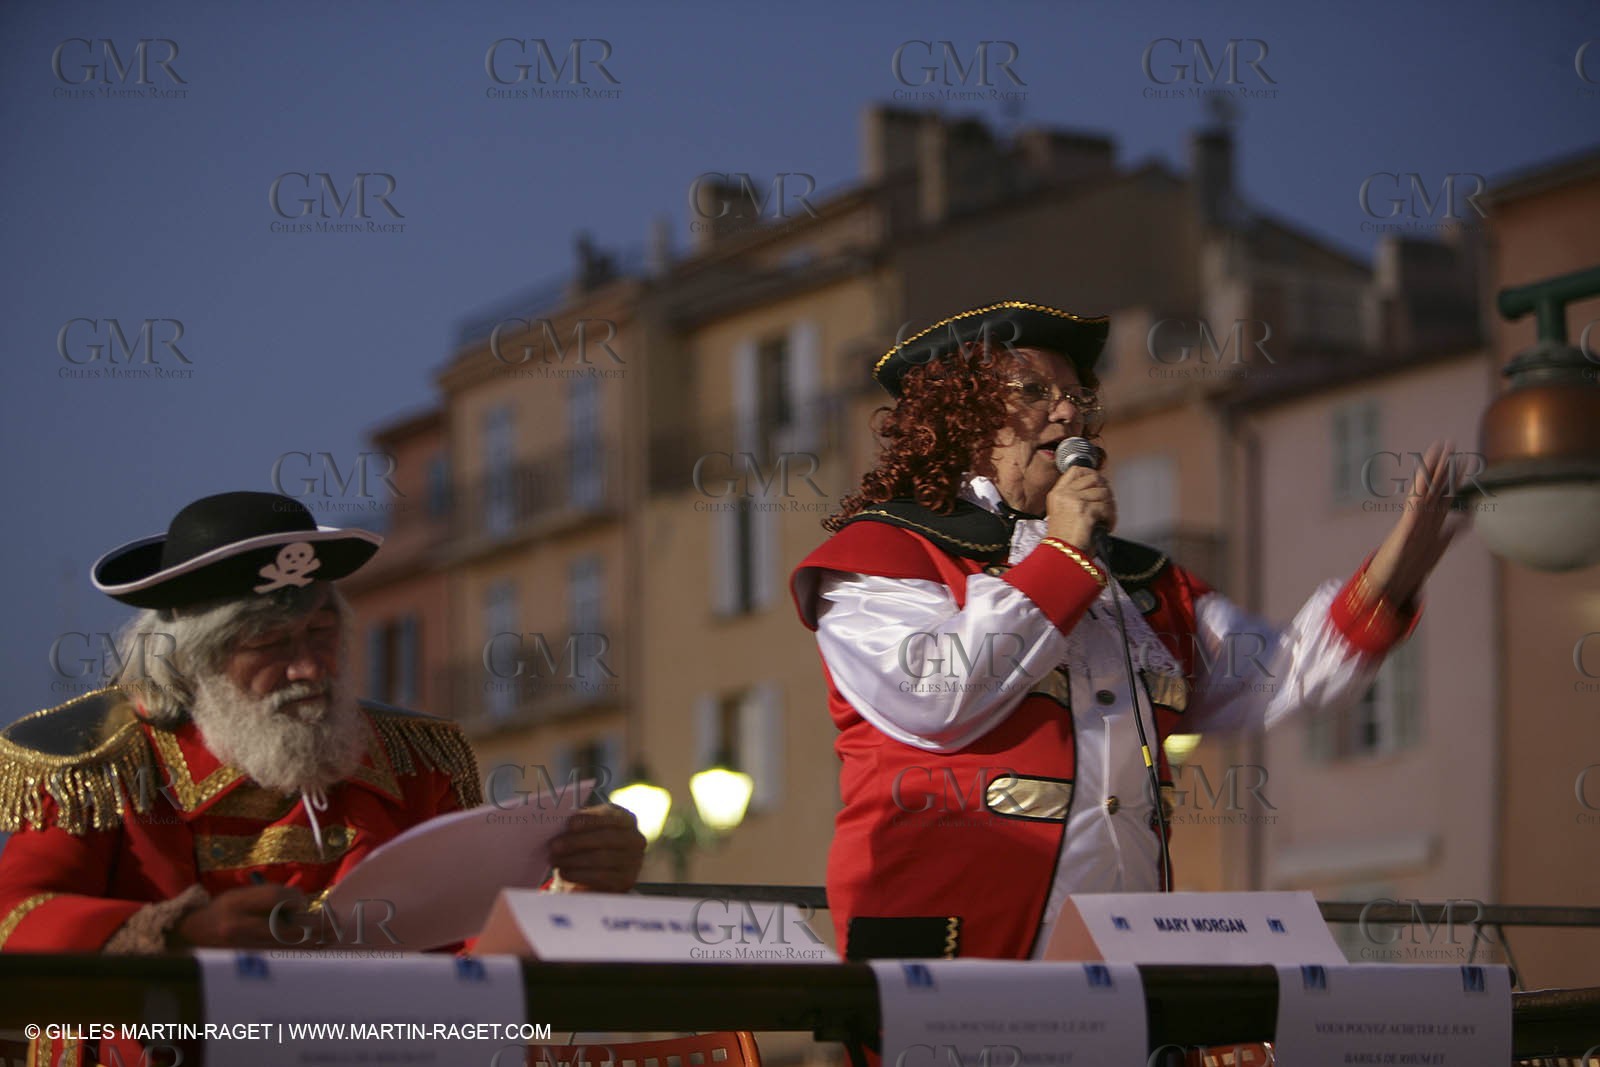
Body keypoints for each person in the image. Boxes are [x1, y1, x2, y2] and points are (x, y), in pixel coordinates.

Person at [790, 301, 1463, 961]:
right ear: (959, 416)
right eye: (1034, 391)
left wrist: (1390, 582)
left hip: (1116, 958)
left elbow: (1279, 672)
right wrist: (1066, 559)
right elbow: (936, 691)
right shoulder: (884, 552)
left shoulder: (1142, 583)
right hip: (952, 947)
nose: (1068, 411)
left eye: (1076, 395)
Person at [0, 491, 645, 957]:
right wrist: (178, 935)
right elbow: (17, 919)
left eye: (321, 631)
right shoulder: (99, 763)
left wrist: (573, 884)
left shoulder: (417, 759)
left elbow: (470, 947)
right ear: (190, 661)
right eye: (268, 642)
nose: (307, 666)